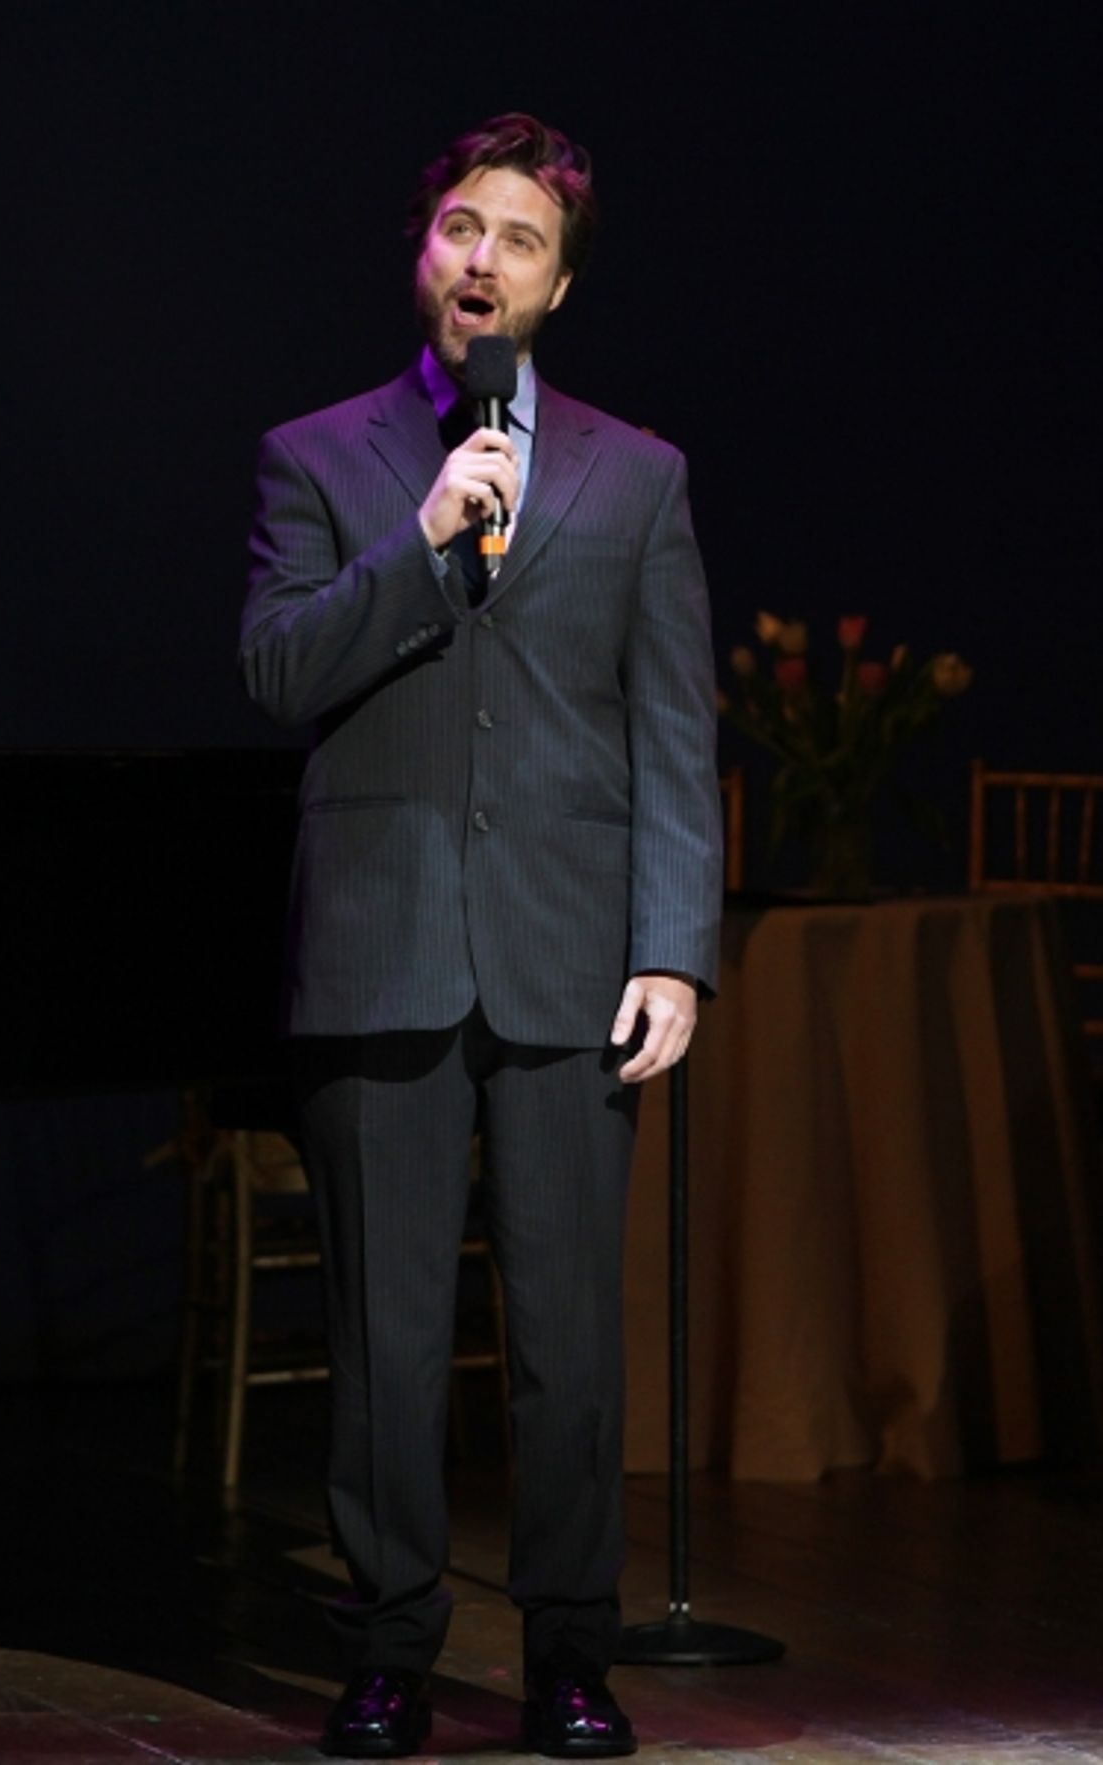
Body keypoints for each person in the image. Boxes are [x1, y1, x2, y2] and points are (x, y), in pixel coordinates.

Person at [240, 112, 722, 1759]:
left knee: (570, 1344)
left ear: (558, 284)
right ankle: (388, 1647)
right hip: (381, 950)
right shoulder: (319, 458)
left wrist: (674, 944)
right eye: (460, 225)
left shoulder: (637, 476)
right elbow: (277, 673)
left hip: (569, 959)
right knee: (386, 1342)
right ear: (421, 251)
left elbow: (672, 726)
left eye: (519, 239)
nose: (481, 258)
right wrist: (425, 533)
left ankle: (569, 1654)